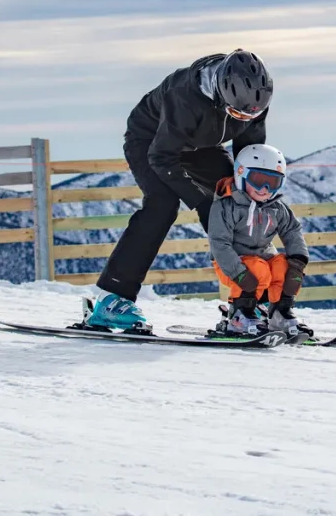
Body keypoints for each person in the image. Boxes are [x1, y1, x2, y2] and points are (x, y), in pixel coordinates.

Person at [86, 49, 273, 331]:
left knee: (234, 203)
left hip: (203, 146)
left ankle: (252, 300)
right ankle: (112, 299)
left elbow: (248, 153)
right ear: (221, 94)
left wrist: (246, 195)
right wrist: (200, 202)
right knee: (161, 206)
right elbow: (162, 157)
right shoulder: (184, 95)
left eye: (249, 116)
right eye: (236, 114)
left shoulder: (252, 103)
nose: (243, 119)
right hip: (151, 142)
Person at [208, 143, 311, 337]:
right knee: (258, 269)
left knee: (282, 266)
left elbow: (292, 231)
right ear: (241, 175)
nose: (264, 189)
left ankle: (280, 313)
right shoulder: (226, 206)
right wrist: (238, 273)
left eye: (272, 183)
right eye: (258, 180)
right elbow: (219, 243)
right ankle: (239, 315)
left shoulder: (276, 208)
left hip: (262, 259)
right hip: (230, 263)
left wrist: (297, 263)